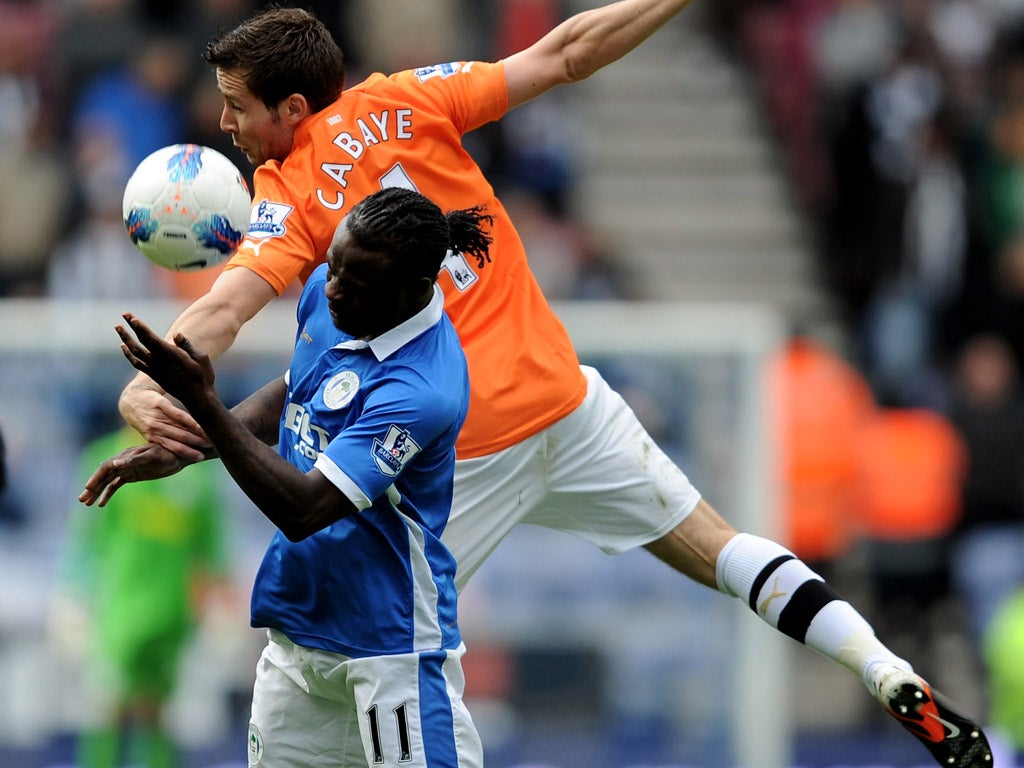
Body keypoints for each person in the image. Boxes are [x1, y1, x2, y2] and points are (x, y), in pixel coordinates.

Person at [115, 4, 991, 765]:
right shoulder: (405, 100)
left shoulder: (290, 195)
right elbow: (567, 52)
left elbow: (230, 302)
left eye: (235, 108)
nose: (224, 125)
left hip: (455, 446)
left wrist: (150, 383)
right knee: (721, 548)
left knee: (378, 634)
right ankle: (880, 664)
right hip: (567, 400)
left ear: (291, 107)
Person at [82, 187, 490, 767]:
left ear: (413, 291)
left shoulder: (421, 389)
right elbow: (301, 389)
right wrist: (189, 447)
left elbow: (303, 509)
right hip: (299, 632)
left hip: (390, 648)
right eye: (334, 269)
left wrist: (204, 404)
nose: (330, 290)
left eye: (355, 285)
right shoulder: (339, 295)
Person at [53, 424, 230, 768]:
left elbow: (210, 549)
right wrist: (72, 597)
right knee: (108, 707)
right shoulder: (105, 459)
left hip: (174, 614)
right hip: (117, 609)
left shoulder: (196, 471)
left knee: (159, 710)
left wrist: (220, 603)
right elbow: (85, 539)